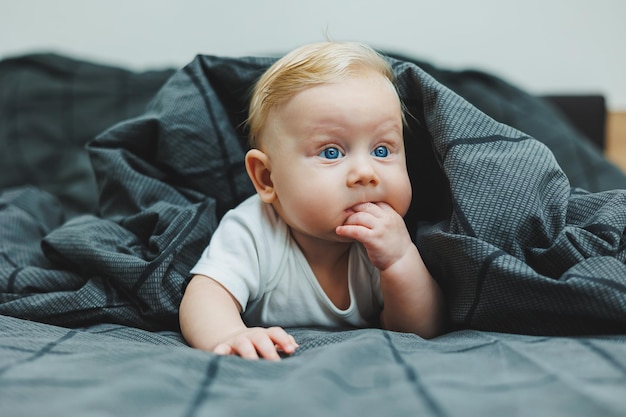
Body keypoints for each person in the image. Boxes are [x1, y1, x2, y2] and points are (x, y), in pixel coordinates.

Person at [179, 41, 445, 360]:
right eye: (331, 152)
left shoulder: (385, 240)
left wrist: (400, 260)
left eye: (382, 150)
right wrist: (230, 335)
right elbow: (207, 294)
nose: (365, 172)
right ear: (266, 178)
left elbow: (421, 329)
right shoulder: (253, 228)